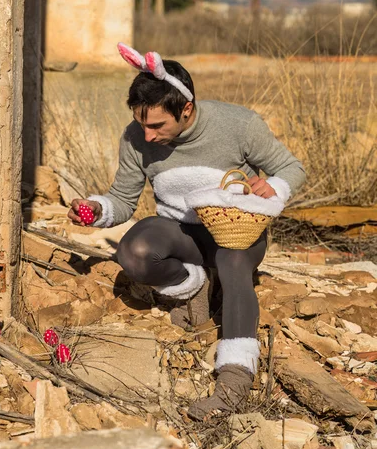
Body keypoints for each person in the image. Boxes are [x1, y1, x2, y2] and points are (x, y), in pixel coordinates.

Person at [68, 43, 306, 420]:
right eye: (141, 123)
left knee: (231, 265)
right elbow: (123, 200)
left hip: (236, 233)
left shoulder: (238, 125)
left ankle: (234, 380)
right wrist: (98, 210)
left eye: (157, 125)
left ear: (187, 109)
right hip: (182, 235)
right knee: (133, 252)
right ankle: (193, 285)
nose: (146, 135)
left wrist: (273, 187)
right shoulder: (135, 137)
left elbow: (291, 168)